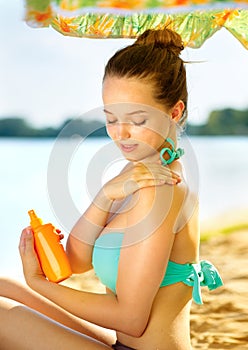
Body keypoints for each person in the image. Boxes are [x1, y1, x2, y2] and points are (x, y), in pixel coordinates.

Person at [0, 28, 223, 350]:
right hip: (125, 345)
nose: (120, 134)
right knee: (6, 287)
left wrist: (38, 284)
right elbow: (77, 264)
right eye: (110, 118)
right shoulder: (133, 175)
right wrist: (104, 196)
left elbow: (132, 319)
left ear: (174, 112)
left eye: (137, 119)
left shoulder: (160, 190)